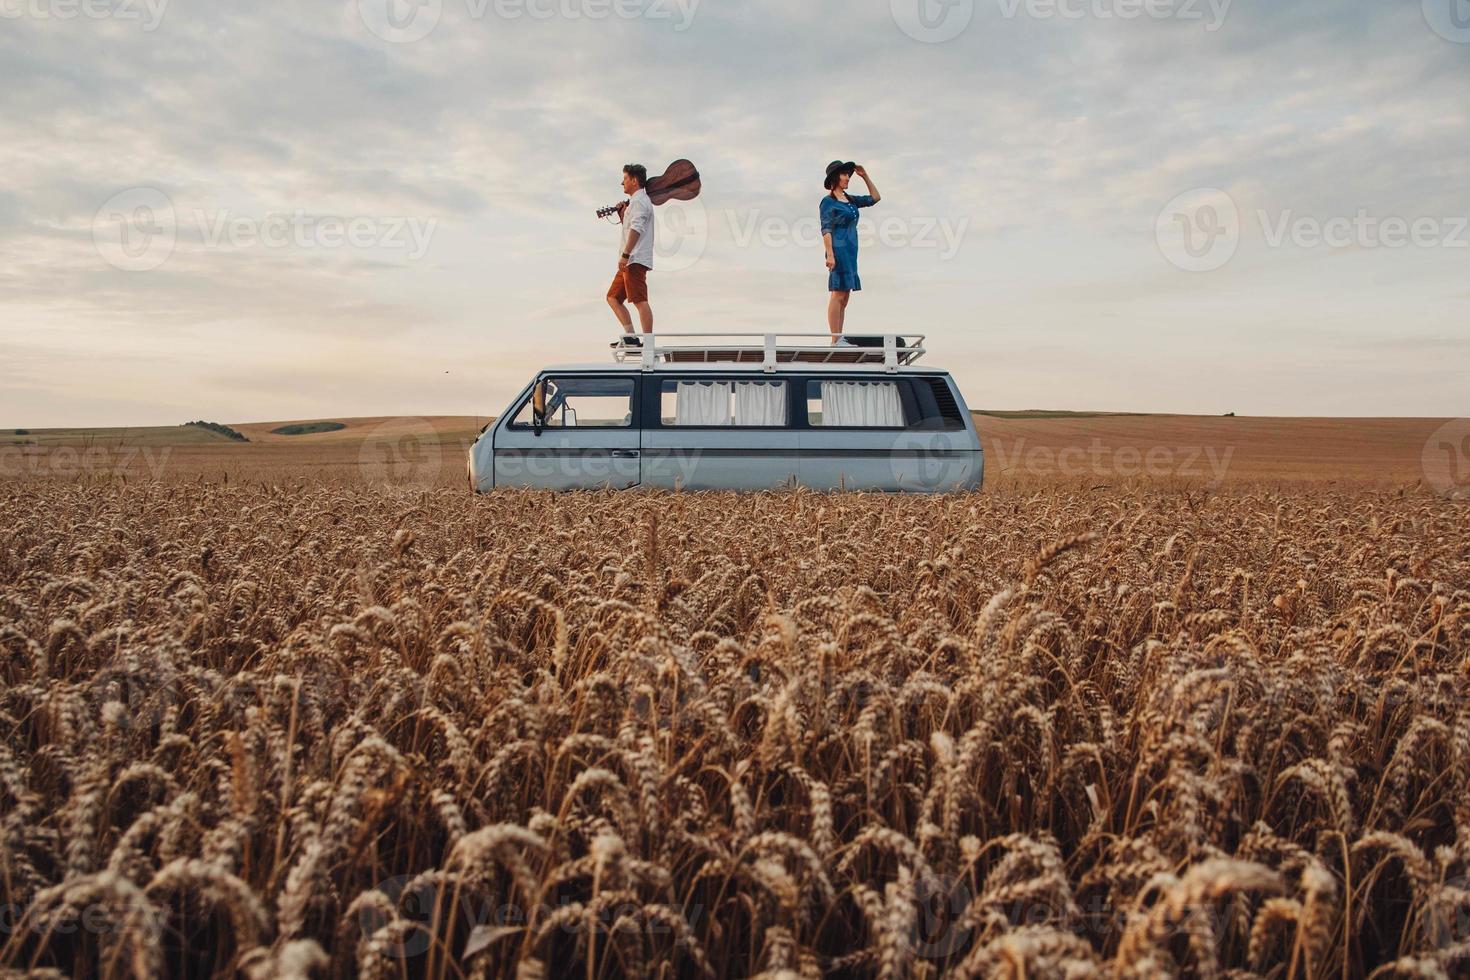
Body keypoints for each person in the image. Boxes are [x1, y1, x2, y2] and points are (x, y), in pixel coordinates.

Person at [820, 160, 880, 341]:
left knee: (845, 296)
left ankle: (840, 338)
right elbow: (826, 229)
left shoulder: (851, 200)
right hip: (838, 249)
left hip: (851, 249)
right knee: (837, 293)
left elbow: (875, 198)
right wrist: (830, 254)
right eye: (844, 174)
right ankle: (835, 339)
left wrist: (865, 176)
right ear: (835, 178)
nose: (848, 178)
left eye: (848, 174)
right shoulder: (828, 202)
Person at [607, 163, 655, 345]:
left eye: (625, 179)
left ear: (634, 181)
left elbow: (637, 229)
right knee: (613, 297)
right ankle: (631, 338)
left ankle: (648, 343)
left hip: (634, 259)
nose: (622, 183)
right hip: (628, 260)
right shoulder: (635, 203)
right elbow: (630, 228)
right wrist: (622, 216)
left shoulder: (640, 202)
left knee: (640, 301)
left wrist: (626, 255)